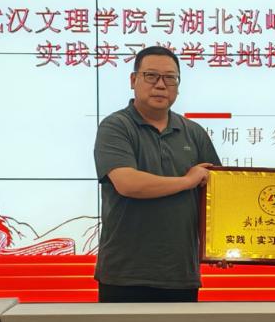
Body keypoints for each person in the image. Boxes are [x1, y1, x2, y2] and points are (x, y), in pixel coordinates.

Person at [94, 46, 220, 303]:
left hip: (180, 274)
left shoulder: (194, 132)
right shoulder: (116, 126)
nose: (161, 85)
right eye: (151, 76)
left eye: (170, 78)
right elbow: (128, 183)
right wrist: (187, 181)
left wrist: (221, 244)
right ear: (133, 80)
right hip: (124, 274)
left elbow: (216, 193)